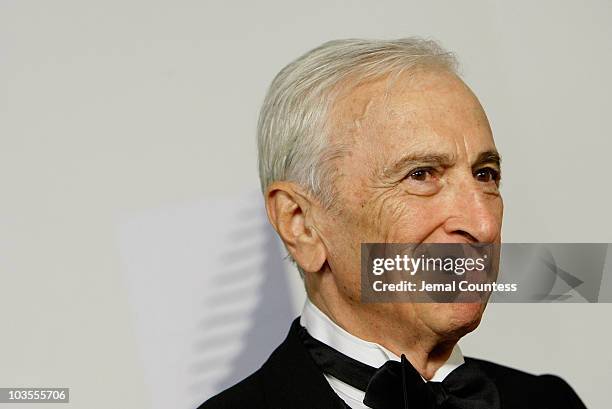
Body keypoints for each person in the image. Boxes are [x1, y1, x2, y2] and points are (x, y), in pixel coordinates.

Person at [198, 38, 587, 409]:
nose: (483, 226)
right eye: (421, 175)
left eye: (485, 175)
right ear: (301, 224)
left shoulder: (550, 402)